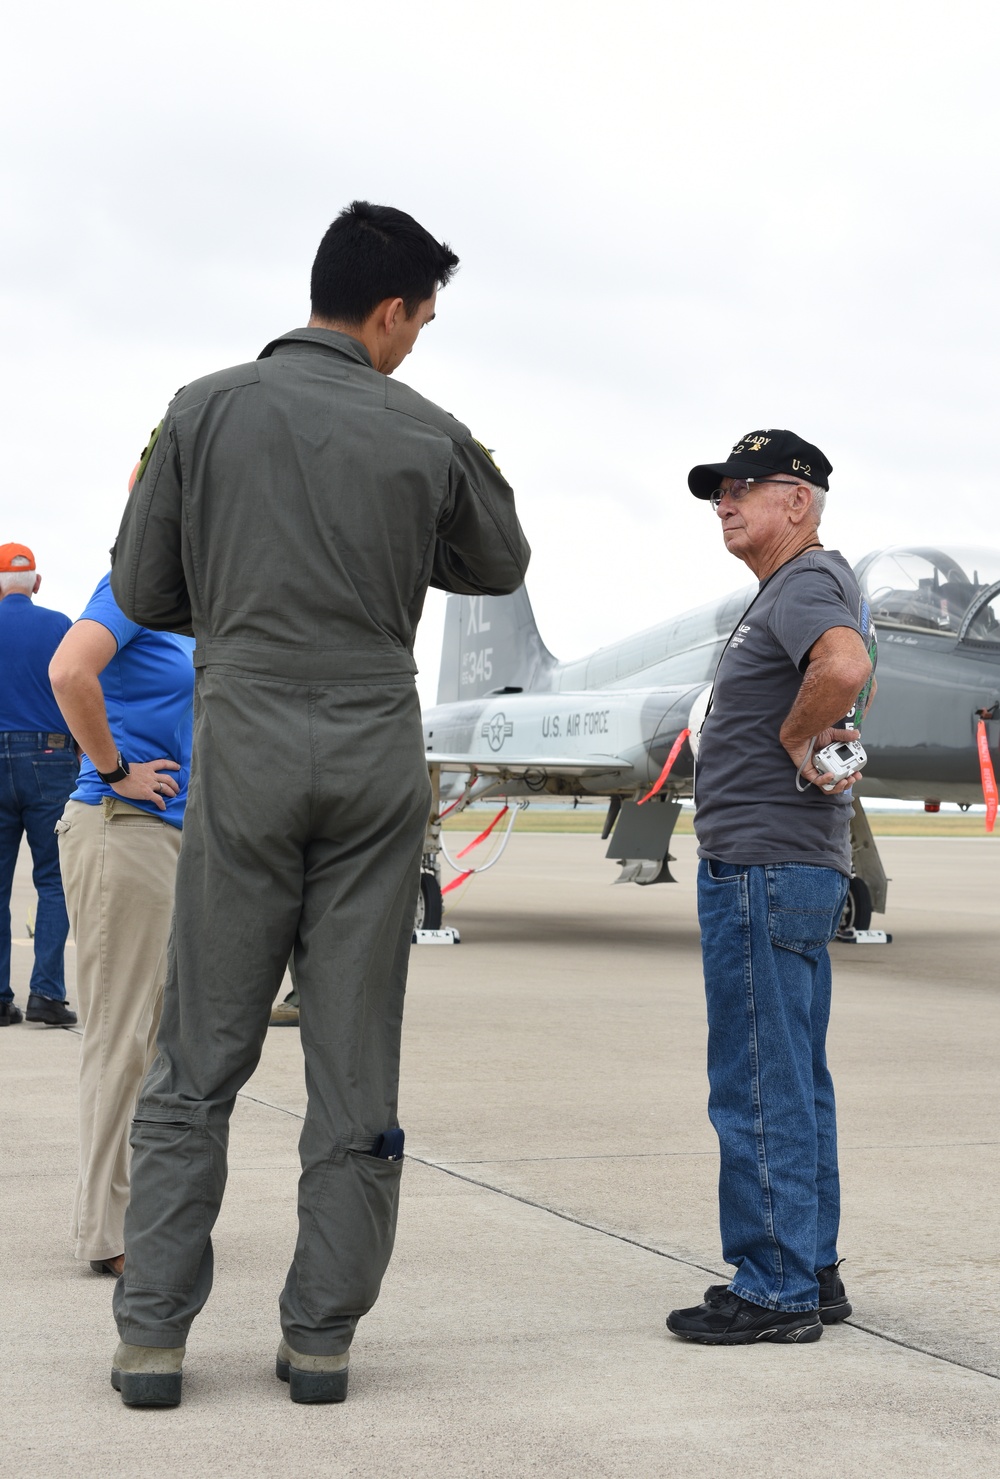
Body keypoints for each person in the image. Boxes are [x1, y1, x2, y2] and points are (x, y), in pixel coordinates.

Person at [106, 201, 530, 1407]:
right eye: (419, 325)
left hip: (239, 740)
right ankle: (320, 1344)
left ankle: (152, 1342)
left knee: (198, 1056)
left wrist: (243, 606)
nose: (414, 347)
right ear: (389, 311)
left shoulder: (201, 408)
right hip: (373, 749)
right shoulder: (427, 428)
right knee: (354, 1062)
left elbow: (143, 583)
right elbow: (498, 564)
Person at [666, 429, 875, 1346]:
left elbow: (844, 665)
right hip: (782, 866)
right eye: (719, 488)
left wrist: (796, 737)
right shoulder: (790, 587)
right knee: (789, 1075)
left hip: (762, 867)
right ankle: (810, 1266)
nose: (725, 499)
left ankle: (778, 1285)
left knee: (754, 1077)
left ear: (800, 501)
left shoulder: (808, 583)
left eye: (745, 485)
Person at [48, 574, 194, 1276]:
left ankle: (144, 1210)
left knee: (159, 1036)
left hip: (171, 838)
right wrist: (115, 768)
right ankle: (105, 1230)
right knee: (120, 1033)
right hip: (123, 827)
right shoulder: (133, 589)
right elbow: (68, 670)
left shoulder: (194, 602)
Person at [0, 543, 78, 1028]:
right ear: (39, 583)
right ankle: (47, 996)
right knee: (53, 880)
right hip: (50, 757)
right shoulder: (58, 625)